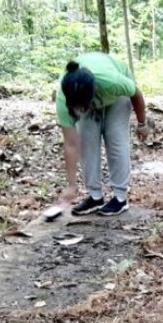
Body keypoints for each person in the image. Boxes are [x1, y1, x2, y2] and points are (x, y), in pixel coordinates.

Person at [54, 52, 148, 216]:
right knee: (86, 141)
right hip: (85, 95)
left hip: (117, 96)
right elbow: (70, 144)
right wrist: (71, 185)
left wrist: (142, 124)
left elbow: (136, 94)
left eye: (84, 106)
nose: (81, 110)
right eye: (78, 107)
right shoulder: (64, 98)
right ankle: (95, 196)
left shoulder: (112, 81)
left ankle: (120, 197)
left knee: (115, 137)